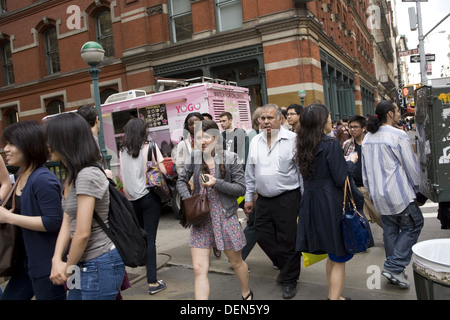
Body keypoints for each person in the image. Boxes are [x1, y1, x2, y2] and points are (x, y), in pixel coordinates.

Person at [47, 113, 125, 300]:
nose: (47, 144)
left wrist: (67, 267)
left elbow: (83, 233)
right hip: (80, 262)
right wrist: (56, 259)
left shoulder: (87, 175)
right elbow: (67, 221)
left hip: (99, 262)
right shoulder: (72, 176)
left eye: (50, 138)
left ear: (64, 140)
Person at [176, 120, 251, 300]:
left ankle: (247, 293)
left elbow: (241, 188)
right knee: (198, 269)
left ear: (216, 138)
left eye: (206, 137)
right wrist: (188, 199)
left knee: (236, 262)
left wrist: (217, 183)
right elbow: (180, 180)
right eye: (198, 137)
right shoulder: (194, 157)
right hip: (200, 219)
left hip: (225, 217)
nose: (202, 141)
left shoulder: (230, 158)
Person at [0, 121, 66, 300]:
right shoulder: (22, 175)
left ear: (28, 145)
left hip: (47, 266)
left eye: (11, 144)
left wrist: (9, 218)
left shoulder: (42, 180)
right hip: (25, 265)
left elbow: (54, 221)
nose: (5, 149)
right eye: (5, 144)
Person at [362, 100, 424, 289]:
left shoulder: (367, 138)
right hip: (399, 194)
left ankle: (394, 270)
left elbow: (365, 171)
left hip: (379, 195)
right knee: (414, 225)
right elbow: (410, 166)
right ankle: (394, 267)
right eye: (397, 111)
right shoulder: (398, 135)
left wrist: (371, 192)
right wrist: (418, 189)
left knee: (390, 232)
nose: (399, 114)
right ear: (390, 113)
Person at [294, 103, 353, 300]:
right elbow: (340, 177)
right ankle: (333, 298)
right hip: (330, 202)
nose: (330, 120)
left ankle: (334, 295)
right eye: (328, 117)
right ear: (322, 121)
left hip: (311, 201)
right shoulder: (330, 144)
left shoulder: (302, 144)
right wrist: (350, 162)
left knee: (331, 253)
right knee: (339, 256)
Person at [244, 104, 302, 299]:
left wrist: (304, 200)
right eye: (263, 118)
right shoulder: (255, 141)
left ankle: (289, 280)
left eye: (270, 118)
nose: (266, 121)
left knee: (288, 239)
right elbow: (250, 171)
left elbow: (301, 172)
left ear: (280, 119)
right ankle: (288, 267)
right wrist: (248, 197)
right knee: (261, 234)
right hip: (263, 200)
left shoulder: (293, 140)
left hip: (288, 198)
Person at [119, 118, 167, 295]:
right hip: (148, 197)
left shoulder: (123, 150)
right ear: (143, 131)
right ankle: (153, 282)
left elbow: (123, 175)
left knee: (141, 237)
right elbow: (163, 171)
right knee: (150, 239)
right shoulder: (151, 147)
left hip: (131, 199)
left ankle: (146, 269)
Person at [342, 115, 382, 227]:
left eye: (355, 127)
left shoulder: (371, 143)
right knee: (360, 219)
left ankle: (390, 236)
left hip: (370, 186)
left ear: (364, 128)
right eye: (350, 127)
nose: (352, 130)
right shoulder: (347, 144)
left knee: (379, 217)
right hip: (354, 187)